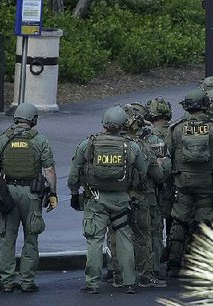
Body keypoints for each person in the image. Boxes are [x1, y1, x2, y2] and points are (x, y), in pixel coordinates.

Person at [67, 106, 147, 295]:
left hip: (95, 199)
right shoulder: (131, 146)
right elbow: (143, 171)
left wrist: (73, 193)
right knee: (125, 239)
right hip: (121, 199)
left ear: (103, 123)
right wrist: (132, 187)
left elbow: (73, 175)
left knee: (95, 241)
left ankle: (92, 283)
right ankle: (129, 282)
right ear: (123, 124)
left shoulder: (88, 144)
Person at [0, 103, 57, 293]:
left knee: (7, 239)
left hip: (7, 194)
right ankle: (27, 282)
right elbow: (49, 170)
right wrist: (52, 194)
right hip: (32, 195)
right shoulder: (40, 140)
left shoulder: (2, 140)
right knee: (31, 238)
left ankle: (7, 282)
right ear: (33, 119)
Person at [166, 89, 213, 277]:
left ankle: (174, 264)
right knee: (205, 221)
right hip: (207, 182)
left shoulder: (176, 128)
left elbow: (165, 155)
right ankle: (202, 265)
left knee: (179, 220)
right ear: (205, 105)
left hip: (182, 181)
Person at [103, 104, 166, 288]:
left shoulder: (106, 143)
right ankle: (146, 275)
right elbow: (157, 173)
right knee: (142, 235)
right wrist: (160, 165)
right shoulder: (141, 145)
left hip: (114, 197)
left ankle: (117, 275)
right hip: (140, 196)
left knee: (115, 235)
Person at [144, 96, 173, 270]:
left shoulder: (152, 136)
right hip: (176, 183)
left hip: (158, 187)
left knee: (155, 226)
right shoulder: (175, 129)